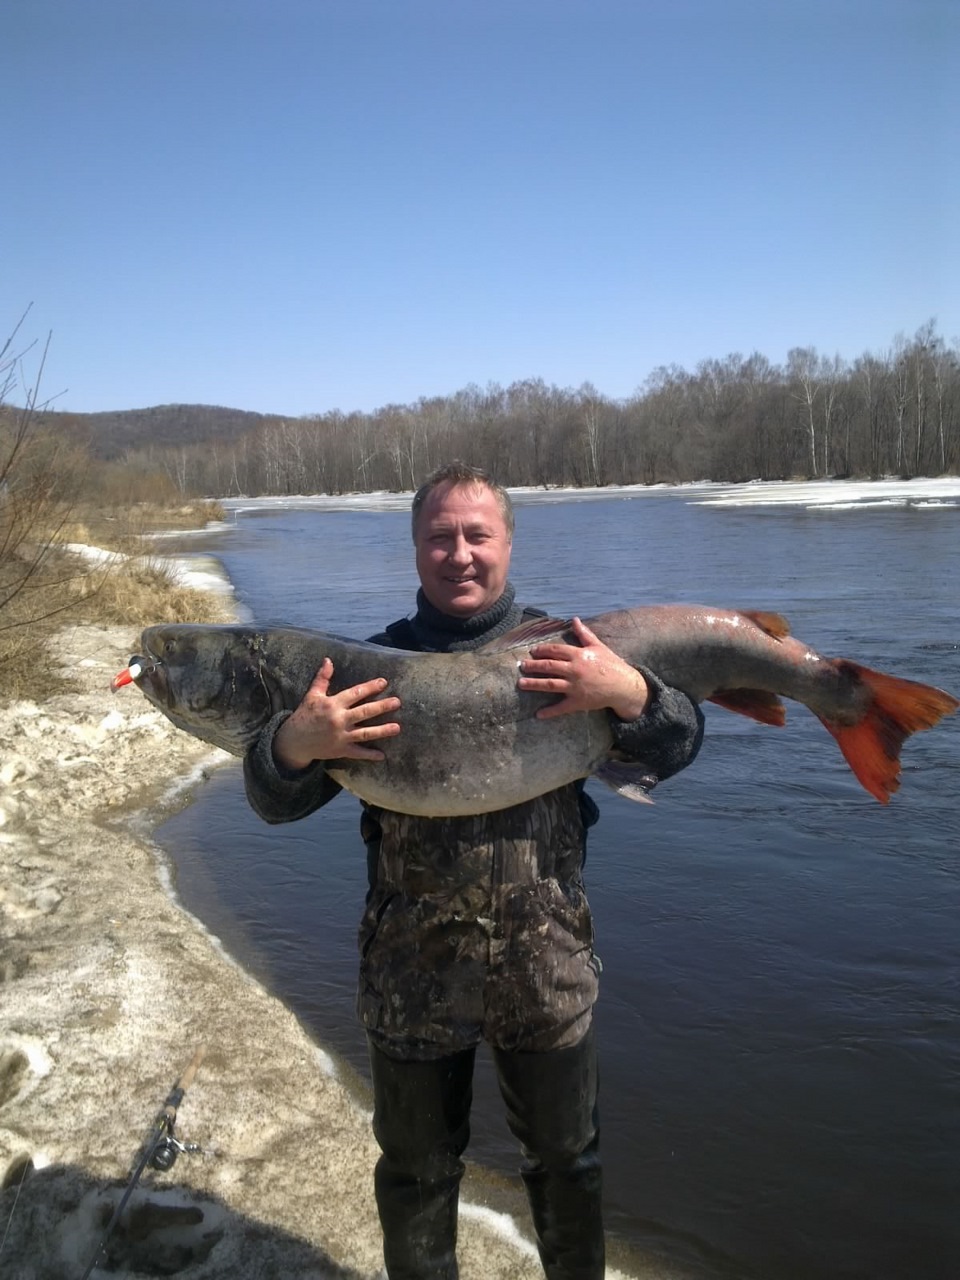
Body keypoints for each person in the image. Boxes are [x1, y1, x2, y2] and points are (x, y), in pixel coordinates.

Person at [243, 462, 704, 1280]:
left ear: (507, 543)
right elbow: (277, 803)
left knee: (569, 1166)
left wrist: (633, 692)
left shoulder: (573, 651)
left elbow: (673, 749)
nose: (459, 554)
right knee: (418, 1174)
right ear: (416, 549)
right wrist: (290, 747)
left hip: (548, 961)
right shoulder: (366, 669)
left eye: (476, 535)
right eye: (439, 537)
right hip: (410, 970)